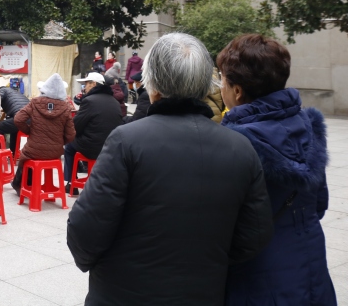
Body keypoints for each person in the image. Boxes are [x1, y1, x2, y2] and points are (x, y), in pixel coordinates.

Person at [66, 32, 274, 304]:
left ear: (153, 86)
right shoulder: (241, 147)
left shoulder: (126, 141)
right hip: (203, 293)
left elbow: (85, 229)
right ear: (205, 86)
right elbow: (254, 235)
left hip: (123, 293)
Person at [218, 34, 336, 305]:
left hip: (257, 277)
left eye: (222, 79)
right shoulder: (309, 127)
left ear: (237, 91)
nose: (220, 86)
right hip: (312, 264)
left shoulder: (234, 144)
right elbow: (319, 204)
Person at [11, 74, 75, 194]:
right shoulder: (66, 108)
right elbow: (71, 135)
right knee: (31, 153)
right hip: (55, 152)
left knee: (26, 155)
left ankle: (21, 184)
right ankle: (33, 184)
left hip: (34, 149)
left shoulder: (35, 102)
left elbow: (18, 119)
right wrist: (59, 141)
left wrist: (29, 131)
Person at [64, 72, 123, 192]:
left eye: (86, 84)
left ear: (94, 84)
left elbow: (76, 126)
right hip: (111, 146)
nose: (84, 87)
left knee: (69, 146)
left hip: (93, 147)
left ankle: (71, 183)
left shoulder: (89, 101)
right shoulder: (115, 102)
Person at [0, 82, 29, 155]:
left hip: (20, 118)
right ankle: (13, 154)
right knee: (13, 129)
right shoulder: (16, 93)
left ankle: (0, 153)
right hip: (31, 120)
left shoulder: (2, 90)